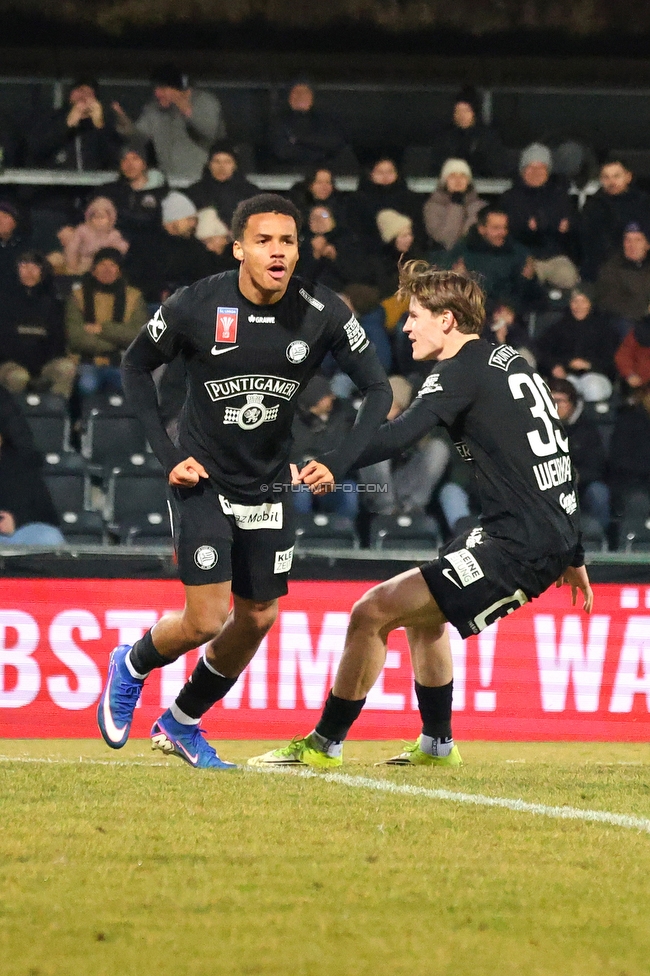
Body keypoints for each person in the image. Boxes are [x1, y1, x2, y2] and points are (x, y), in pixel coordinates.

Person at [248, 260, 592, 770]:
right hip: (526, 534)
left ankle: (323, 746)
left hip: (517, 544)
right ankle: (437, 745)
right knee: (422, 618)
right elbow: (556, 459)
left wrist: (328, 463)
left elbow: (398, 435)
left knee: (371, 612)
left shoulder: (460, 369)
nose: (405, 326)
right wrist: (573, 548)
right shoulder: (509, 361)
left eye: (414, 316)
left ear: (447, 320)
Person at [96, 192, 392, 768]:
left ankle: (181, 721)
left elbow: (378, 390)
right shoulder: (196, 304)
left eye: (287, 241)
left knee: (258, 616)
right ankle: (130, 664)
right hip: (203, 476)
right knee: (206, 619)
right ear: (238, 249)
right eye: (264, 241)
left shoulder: (324, 310)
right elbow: (134, 364)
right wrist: (165, 454)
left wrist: (337, 459)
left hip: (268, 485)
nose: (277, 252)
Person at [113, 64, 226, 182]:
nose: (157, 94)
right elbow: (139, 138)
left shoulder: (205, 101)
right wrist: (124, 123)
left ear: (179, 89)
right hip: (168, 180)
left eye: (163, 89)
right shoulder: (153, 109)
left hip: (201, 180)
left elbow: (210, 133)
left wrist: (187, 111)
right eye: (155, 89)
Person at [65, 248, 148, 396]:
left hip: (122, 364)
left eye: (112, 265)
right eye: (102, 265)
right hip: (86, 362)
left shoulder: (134, 297)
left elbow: (139, 336)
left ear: (120, 270)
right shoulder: (77, 296)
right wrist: (116, 344)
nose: (107, 270)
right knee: (87, 385)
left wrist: (103, 329)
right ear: (93, 269)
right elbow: (75, 337)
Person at [499, 143, 579, 290]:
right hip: (523, 257)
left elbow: (572, 226)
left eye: (541, 167)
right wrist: (527, 228)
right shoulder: (509, 198)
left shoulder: (560, 196)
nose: (536, 172)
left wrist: (567, 226)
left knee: (568, 277)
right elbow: (507, 231)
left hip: (556, 256)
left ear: (548, 171)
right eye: (530, 167)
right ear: (522, 171)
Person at [0, 251, 74, 399]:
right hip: (9, 363)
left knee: (66, 368)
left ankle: (54, 415)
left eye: (35, 267)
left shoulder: (53, 302)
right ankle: (15, 419)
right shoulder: (4, 300)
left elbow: (57, 339)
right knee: (18, 377)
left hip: (44, 363)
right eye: (24, 266)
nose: (29, 271)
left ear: (42, 271)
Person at [445, 206, 540, 315]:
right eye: (496, 228)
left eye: (505, 228)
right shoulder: (463, 251)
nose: (502, 232)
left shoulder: (518, 252)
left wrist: (528, 279)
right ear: (481, 229)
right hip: (472, 314)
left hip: (509, 315)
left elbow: (532, 296)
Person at [291, 375, 359, 519]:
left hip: (335, 478)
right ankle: (302, 535)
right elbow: (296, 454)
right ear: (315, 401)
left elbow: (341, 448)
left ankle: (344, 535)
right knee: (300, 494)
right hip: (303, 480)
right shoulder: (295, 421)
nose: (332, 397)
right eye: (327, 396)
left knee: (349, 492)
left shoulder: (344, 412)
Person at [549, 378, 610, 533]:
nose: (554, 405)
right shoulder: (537, 426)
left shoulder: (587, 429)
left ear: (573, 403)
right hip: (547, 483)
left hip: (581, 486)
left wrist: (578, 475)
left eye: (559, 400)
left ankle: (602, 542)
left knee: (599, 492)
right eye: (550, 400)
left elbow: (598, 466)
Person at [27, 76, 120, 171]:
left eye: (90, 94)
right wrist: (66, 124)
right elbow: (37, 149)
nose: (84, 96)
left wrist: (99, 125)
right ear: (71, 94)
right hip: (55, 182)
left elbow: (113, 159)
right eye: (80, 90)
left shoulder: (101, 125)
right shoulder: (52, 117)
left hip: (93, 183)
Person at [580, 156, 650, 281]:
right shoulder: (593, 205)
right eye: (606, 177)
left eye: (616, 176)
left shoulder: (642, 202)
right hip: (604, 268)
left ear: (628, 177)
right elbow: (588, 242)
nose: (611, 182)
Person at [535, 283, 619, 385]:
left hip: (596, 376)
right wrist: (554, 366)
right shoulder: (559, 326)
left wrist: (589, 365)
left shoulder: (604, 328)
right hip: (566, 376)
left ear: (591, 304)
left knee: (593, 387)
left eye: (583, 302)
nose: (578, 306)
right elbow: (542, 351)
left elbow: (610, 361)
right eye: (575, 301)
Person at [267, 81, 354, 173]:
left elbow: (334, 143)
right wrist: (318, 151)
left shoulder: (326, 121)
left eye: (304, 93)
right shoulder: (278, 122)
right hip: (286, 173)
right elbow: (283, 152)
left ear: (312, 97)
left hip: (324, 172)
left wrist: (298, 139)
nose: (300, 97)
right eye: (295, 93)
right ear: (289, 97)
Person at [0, 432, 64, 546]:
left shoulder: (20, 465)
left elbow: (48, 514)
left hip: (19, 531)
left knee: (50, 537)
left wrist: (16, 521)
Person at [432, 86, 506, 177]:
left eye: (466, 111)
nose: (461, 116)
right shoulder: (444, 138)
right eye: (457, 111)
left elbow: (497, 168)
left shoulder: (488, 137)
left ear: (474, 113)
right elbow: (436, 168)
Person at [186, 141, 258, 231]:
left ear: (235, 165)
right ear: (209, 165)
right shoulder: (195, 192)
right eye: (217, 161)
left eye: (227, 162)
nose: (222, 167)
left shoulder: (250, 193)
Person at [595, 223, 650, 333]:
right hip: (626, 320)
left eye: (637, 240)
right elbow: (610, 302)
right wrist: (645, 310)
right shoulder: (611, 268)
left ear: (647, 245)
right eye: (627, 240)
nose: (631, 245)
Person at [423, 158, 486, 253]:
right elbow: (447, 240)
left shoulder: (481, 207)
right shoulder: (432, 206)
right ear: (445, 181)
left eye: (463, 176)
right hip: (443, 257)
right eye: (452, 176)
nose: (458, 180)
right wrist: (456, 205)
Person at [63, 196, 129, 277]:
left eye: (102, 217)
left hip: (104, 267)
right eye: (96, 217)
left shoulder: (114, 234)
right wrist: (73, 265)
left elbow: (121, 250)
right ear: (90, 218)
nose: (99, 220)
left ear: (110, 219)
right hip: (83, 263)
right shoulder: (82, 230)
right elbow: (72, 248)